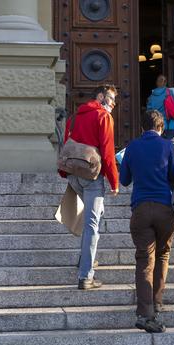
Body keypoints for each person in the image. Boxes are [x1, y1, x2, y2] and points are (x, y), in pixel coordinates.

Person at [119, 110, 174, 333]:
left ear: (142, 128)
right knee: (162, 254)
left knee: (144, 260)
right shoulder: (167, 146)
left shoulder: (132, 147)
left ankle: (145, 313)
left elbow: (124, 180)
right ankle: (158, 302)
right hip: (165, 208)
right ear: (161, 127)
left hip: (141, 209)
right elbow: (173, 174)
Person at [58, 84, 120, 290]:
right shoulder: (104, 117)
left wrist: (64, 172)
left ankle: (86, 258)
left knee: (93, 217)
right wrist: (114, 181)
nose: (113, 104)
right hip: (92, 177)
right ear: (100, 96)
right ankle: (86, 276)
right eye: (110, 98)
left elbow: (66, 145)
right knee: (93, 224)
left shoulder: (74, 118)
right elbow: (108, 153)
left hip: (74, 175)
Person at [146, 75, 174, 140]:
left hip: (158, 126)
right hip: (171, 124)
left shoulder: (151, 97)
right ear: (165, 83)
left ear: (157, 83)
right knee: (171, 145)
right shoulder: (169, 92)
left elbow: (149, 113)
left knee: (160, 146)